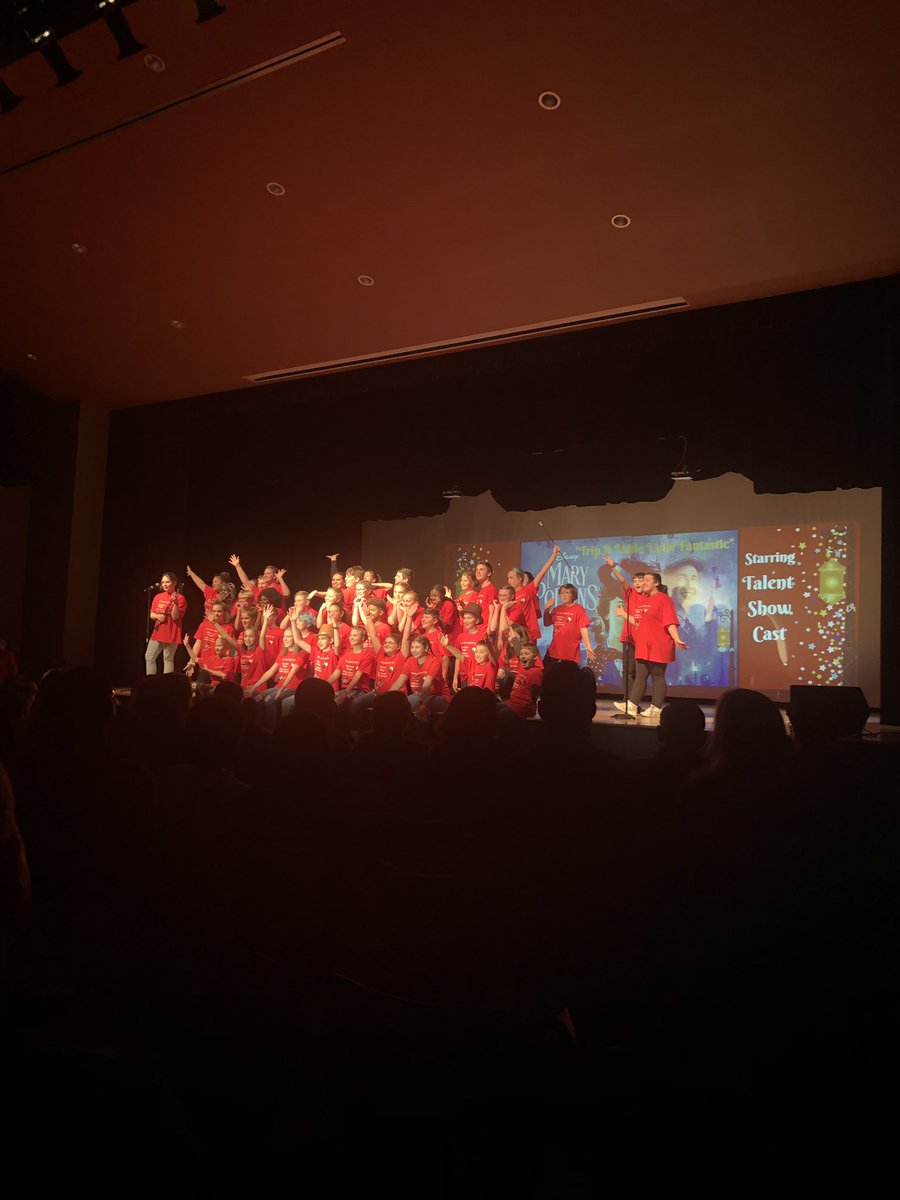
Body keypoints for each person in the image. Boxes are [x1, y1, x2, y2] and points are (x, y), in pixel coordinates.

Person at [614, 572, 687, 720]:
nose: (644, 582)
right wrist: (623, 614)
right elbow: (638, 622)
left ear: (656, 583)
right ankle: (632, 706)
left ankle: (656, 708)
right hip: (643, 645)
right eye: (643, 580)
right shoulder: (643, 600)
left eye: (647, 580)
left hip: (658, 644)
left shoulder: (663, 599)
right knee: (640, 675)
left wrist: (677, 638)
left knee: (657, 676)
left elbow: (670, 621)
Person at [507, 545, 559, 643]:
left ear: (520, 578)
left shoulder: (528, 590)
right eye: (508, 578)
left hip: (528, 633)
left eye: (511, 577)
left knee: (529, 656)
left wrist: (553, 556)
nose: (508, 580)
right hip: (514, 633)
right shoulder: (510, 595)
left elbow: (542, 572)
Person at [542, 583, 596, 668]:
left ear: (573, 595)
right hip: (553, 651)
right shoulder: (557, 609)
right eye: (562, 593)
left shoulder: (579, 609)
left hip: (570, 652)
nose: (564, 595)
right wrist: (546, 610)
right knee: (546, 676)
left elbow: (583, 628)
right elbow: (546, 623)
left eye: (567, 592)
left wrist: (588, 647)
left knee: (567, 678)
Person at [145, 572, 187, 674]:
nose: (165, 584)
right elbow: (152, 614)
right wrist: (158, 616)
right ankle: (151, 682)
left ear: (174, 583)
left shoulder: (180, 598)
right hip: (158, 632)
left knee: (168, 659)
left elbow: (175, 616)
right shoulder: (158, 597)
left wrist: (176, 603)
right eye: (163, 582)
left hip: (171, 632)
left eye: (168, 582)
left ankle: (167, 685)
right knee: (149, 657)